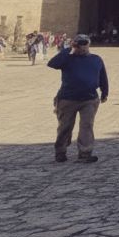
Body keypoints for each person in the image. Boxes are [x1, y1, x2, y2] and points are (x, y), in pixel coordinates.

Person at [47, 35, 109, 163]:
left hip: (89, 99)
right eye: (80, 44)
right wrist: (69, 48)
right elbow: (52, 64)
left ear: (89, 45)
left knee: (87, 125)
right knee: (65, 127)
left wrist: (105, 92)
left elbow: (103, 76)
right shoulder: (67, 59)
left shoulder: (96, 59)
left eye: (85, 44)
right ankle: (60, 151)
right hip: (68, 99)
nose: (83, 47)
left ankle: (85, 153)